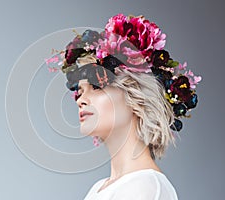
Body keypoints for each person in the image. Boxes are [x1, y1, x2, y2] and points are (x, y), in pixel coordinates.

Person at [47, 13, 201, 200]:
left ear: (136, 95)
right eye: (80, 91)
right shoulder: (99, 189)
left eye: (96, 87)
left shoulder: (145, 187)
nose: (80, 100)